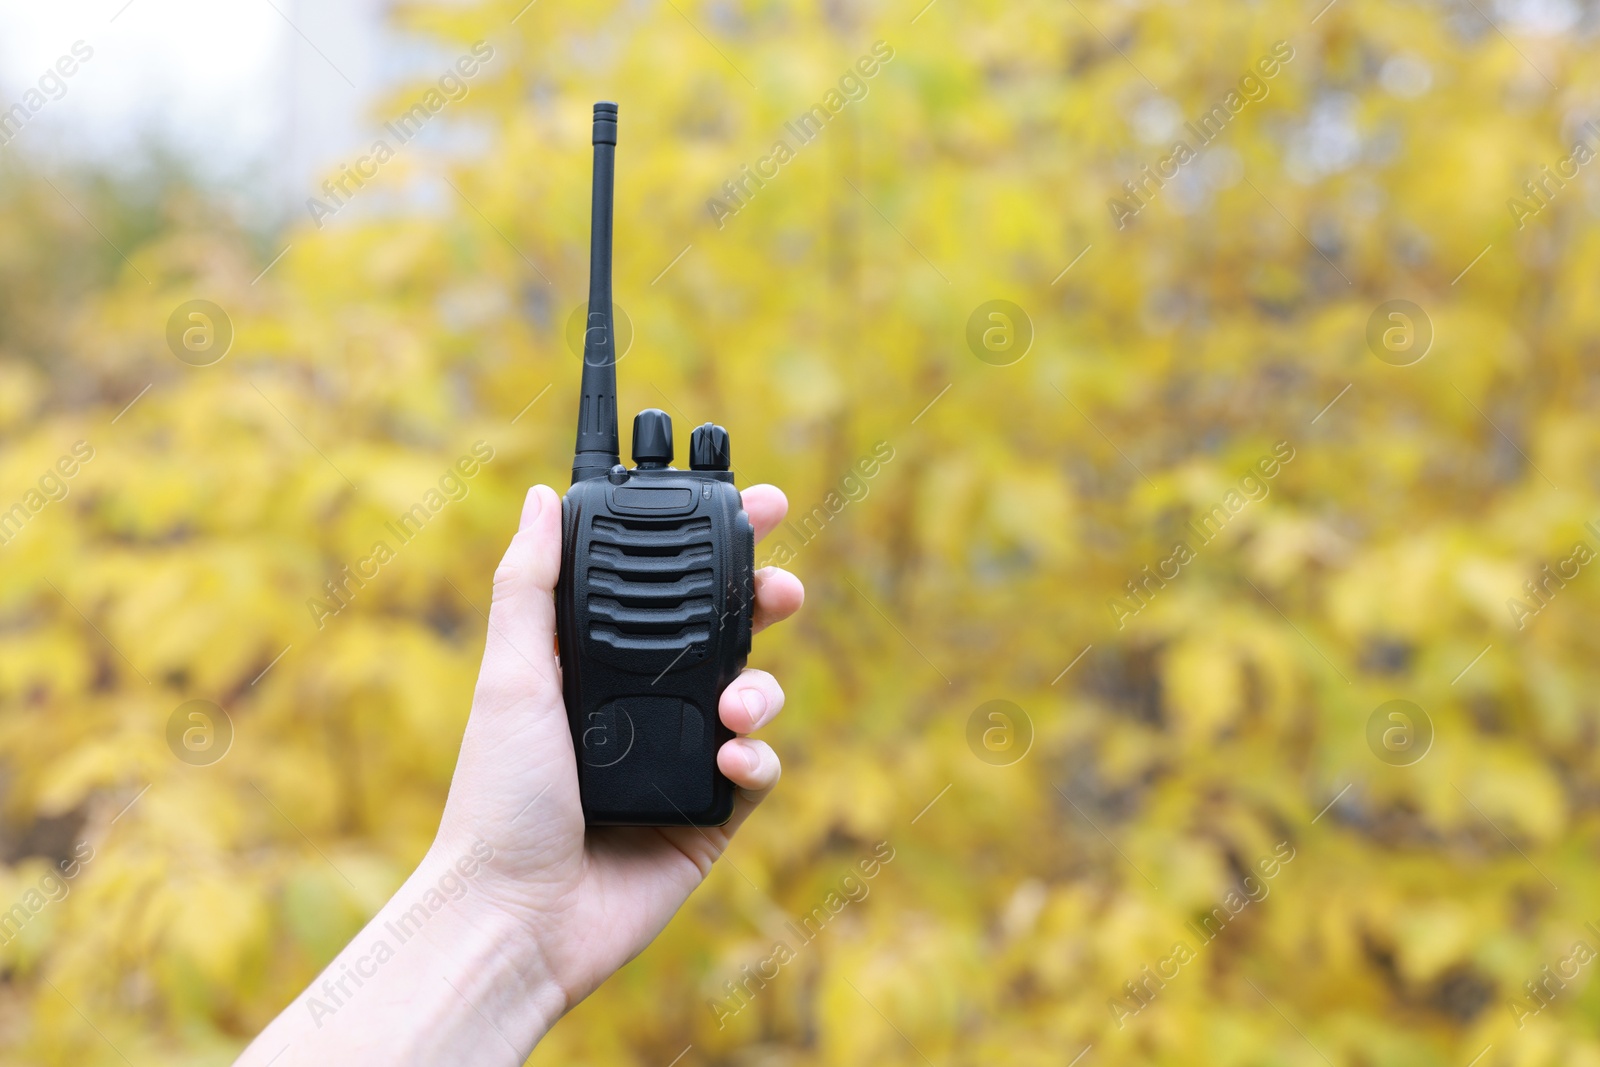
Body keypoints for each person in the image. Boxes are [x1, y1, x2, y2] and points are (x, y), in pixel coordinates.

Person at [236, 483, 804, 1064]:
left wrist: (503, 916)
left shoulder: (593, 506)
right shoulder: (687, 512)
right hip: (644, 798)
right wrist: (504, 903)